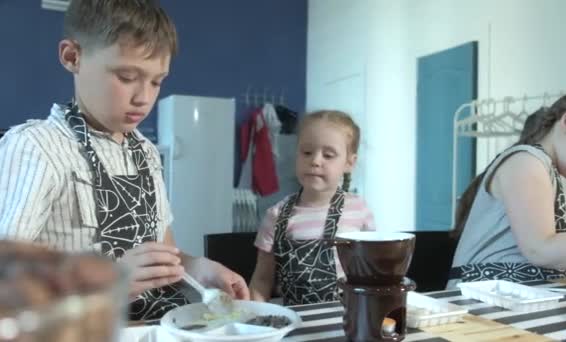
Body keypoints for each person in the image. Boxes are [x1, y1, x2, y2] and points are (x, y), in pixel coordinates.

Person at [0, 0, 249, 320]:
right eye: (127, 76)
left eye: (156, 81)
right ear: (72, 57)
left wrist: (198, 267)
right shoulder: (37, 148)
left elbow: (165, 250)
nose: (144, 97)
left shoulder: (145, 150)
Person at [448, 89, 566, 288]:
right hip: (479, 295)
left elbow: (547, 253)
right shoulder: (526, 162)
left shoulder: (558, 180)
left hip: (519, 295)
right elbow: (540, 249)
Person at [248, 110, 376, 305]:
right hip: (295, 323)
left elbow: (373, 272)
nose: (315, 161)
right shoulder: (276, 215)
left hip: (347, 323)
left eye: (328, 155)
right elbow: (261, 281)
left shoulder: (359, 210)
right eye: (307, 152)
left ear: (349, 163)